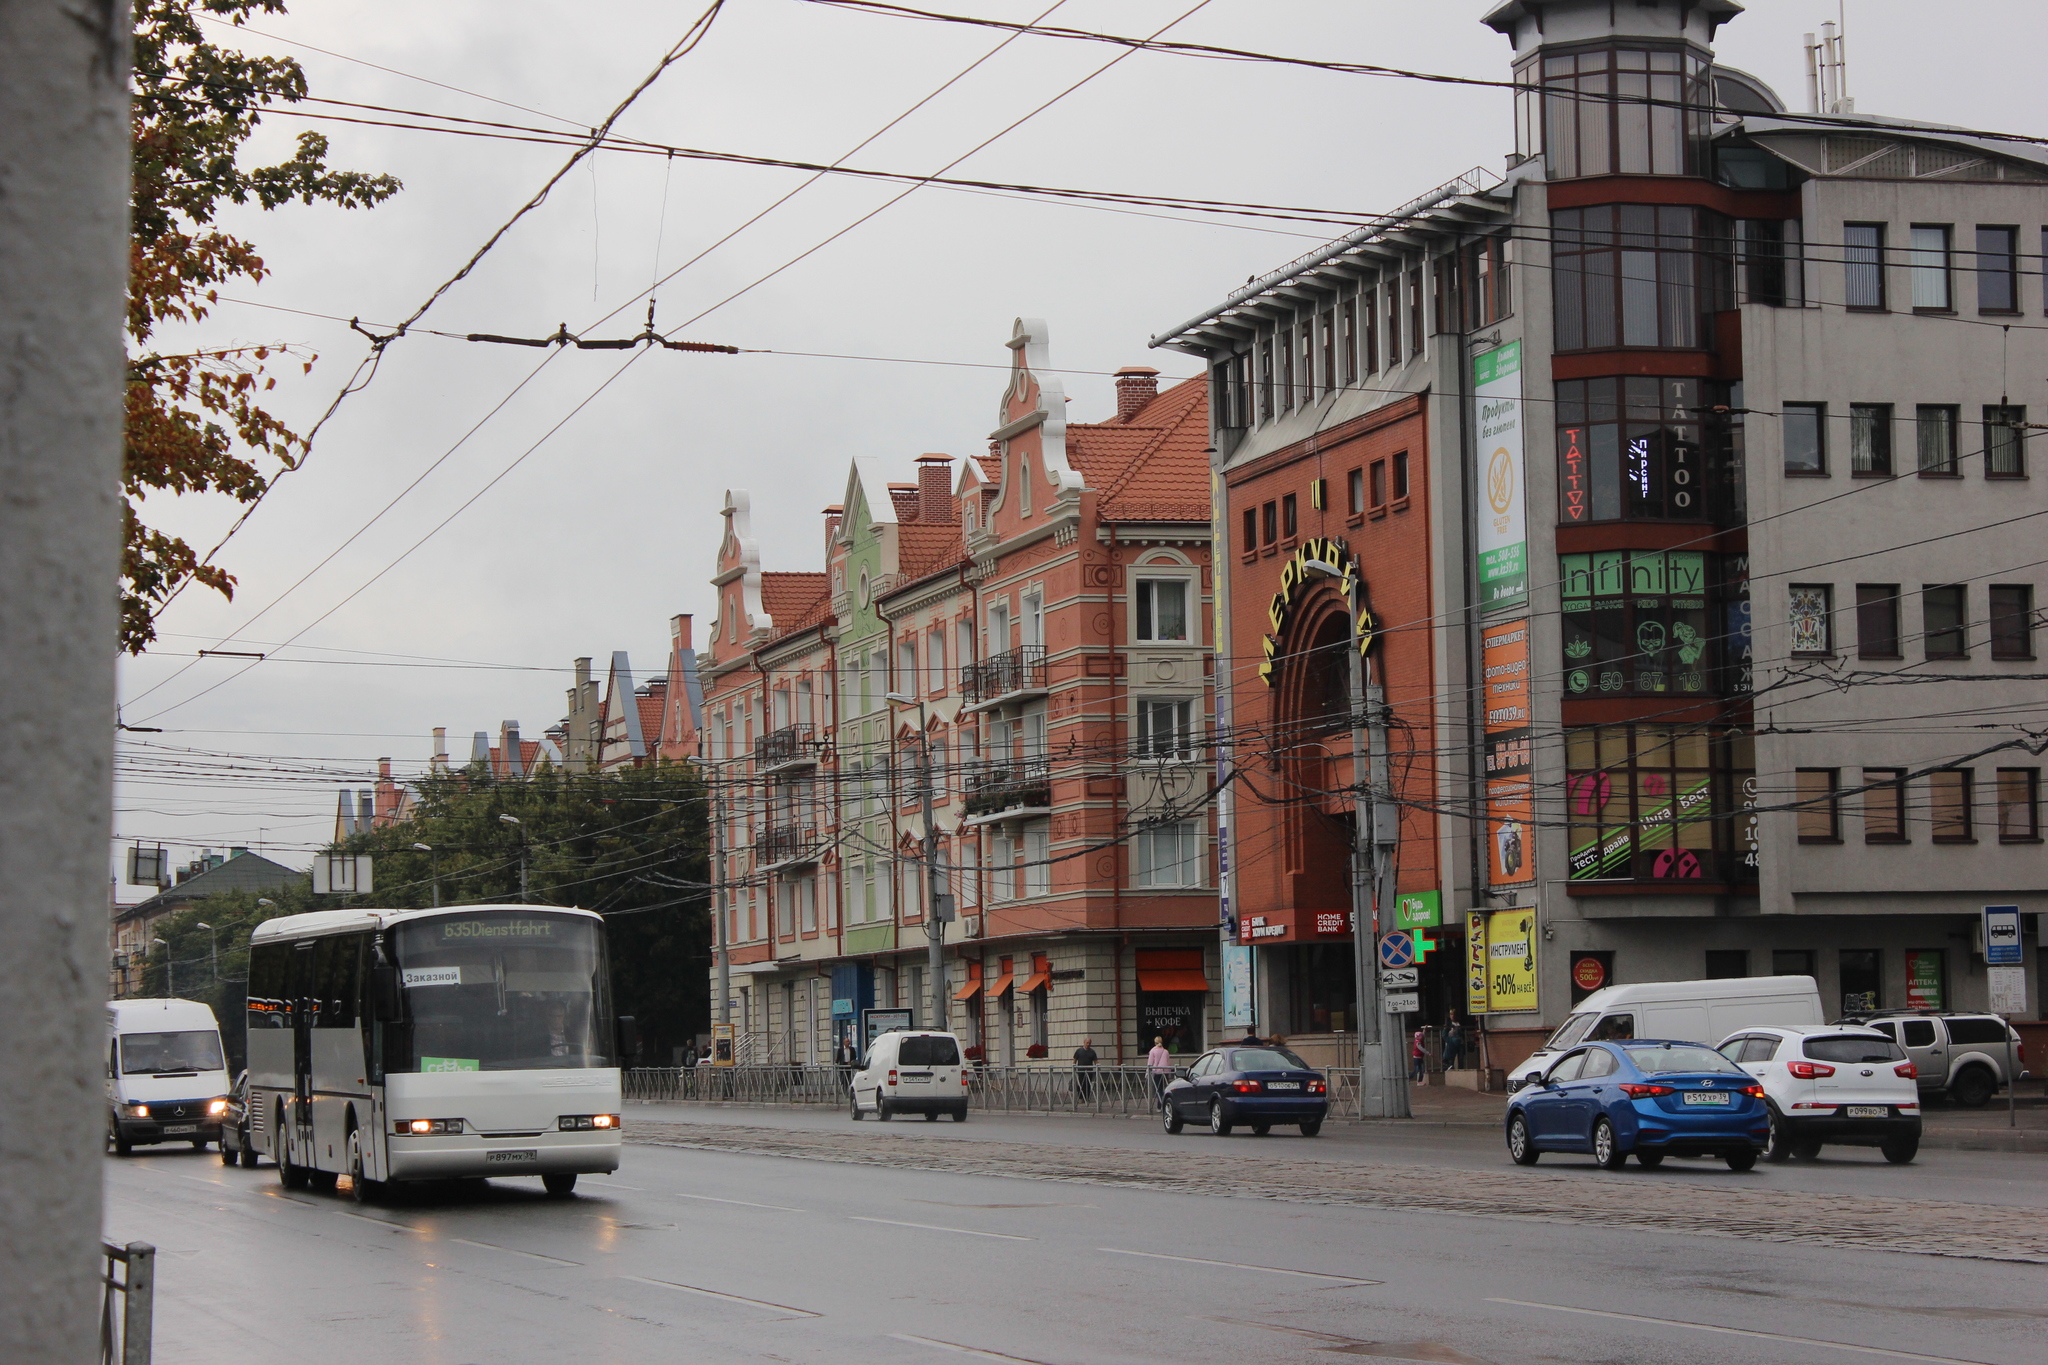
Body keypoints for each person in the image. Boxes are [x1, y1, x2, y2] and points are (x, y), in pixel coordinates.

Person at [1146, 1035, 1173, 1100]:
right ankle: (1163, 1103)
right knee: (1164, 1088)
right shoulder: (1166, 1051)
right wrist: (1169, 1074)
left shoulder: (1152, 1051)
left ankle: (1160, 1104)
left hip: (1157, 1072)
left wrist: (1147, 1073)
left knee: (1158, 1089)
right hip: (1165, 1072)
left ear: (1155, 1042)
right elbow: (1168, 1063)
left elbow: (1150, 1063)